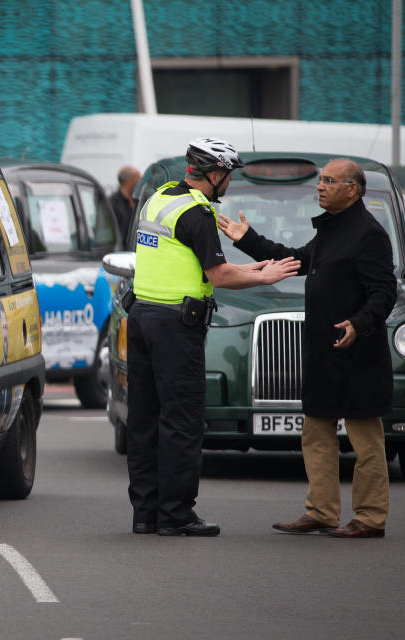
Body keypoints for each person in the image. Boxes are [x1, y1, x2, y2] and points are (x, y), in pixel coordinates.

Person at [127, 138, 300, 536]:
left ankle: (146, 513)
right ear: (215, 174)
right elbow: (219, 275)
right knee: (183, 421)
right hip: (175, 326)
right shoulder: (197, 213)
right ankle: (176, 515)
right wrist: (265, 276)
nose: (229, 184)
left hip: (141, 318)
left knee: (144, 419)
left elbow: (179, 258)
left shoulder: (159, 198)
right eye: (229, 175)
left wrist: (253, 267)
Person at [217, 158, 397, 539]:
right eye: (320, 180)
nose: (320, 186)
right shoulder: (333, 230)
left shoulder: (369, 234)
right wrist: (247, 239)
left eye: (330, 181)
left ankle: (369, 517)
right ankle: (321, 511)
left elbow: (384, 293)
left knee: (366, 442)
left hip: (357, 355)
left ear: (353, 189)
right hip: (324, 355)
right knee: (316, 434)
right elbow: (296, 260)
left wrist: (359, 324)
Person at [109, 166, 140, 240]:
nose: (140, 181)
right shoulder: (113, 203)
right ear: (129, 180)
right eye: (139, 178)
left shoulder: (137, 201)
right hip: (120, 250)